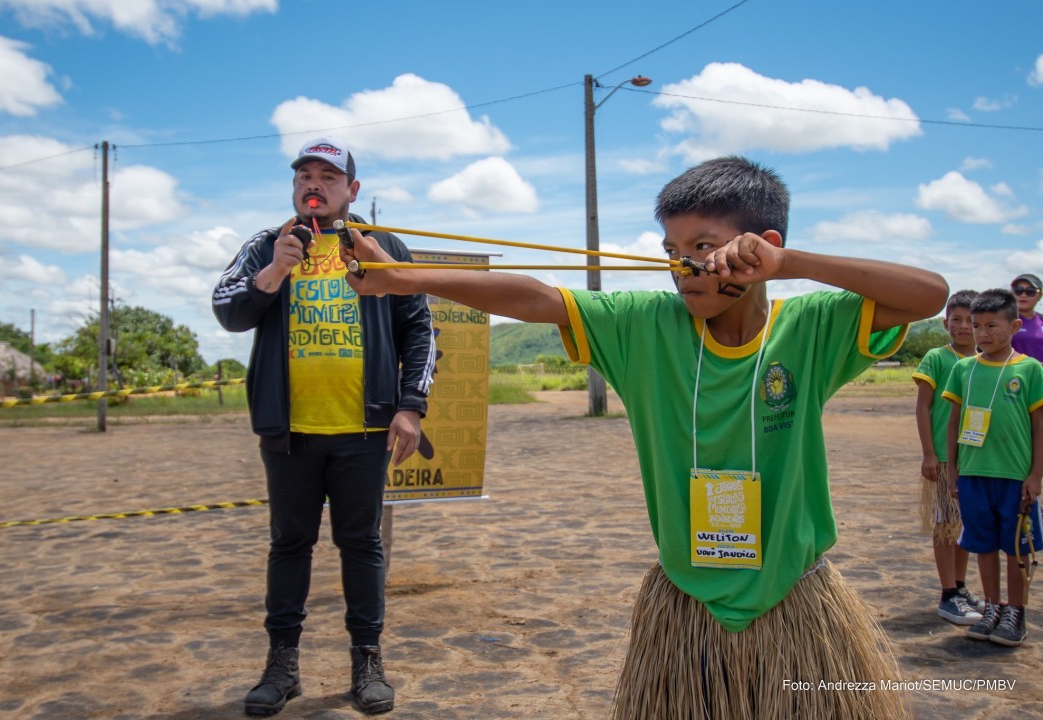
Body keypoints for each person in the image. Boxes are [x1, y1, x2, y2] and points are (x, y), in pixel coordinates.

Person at [339, 156, 948, 719]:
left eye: (703, 247)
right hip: (685, 606)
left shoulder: (814, 326)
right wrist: (400, 278)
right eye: (671, 248)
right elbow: (536, 297)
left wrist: (795, 266)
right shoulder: (641, 323)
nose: (683, 266)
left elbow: (930, 294)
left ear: (763, 247)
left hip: (795, 596)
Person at [212, 136, 435, 716]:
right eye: (305, 176)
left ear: (351, 190)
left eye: (328, 177)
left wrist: (410, 406)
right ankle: (281, 666)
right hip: (289, 432)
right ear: (294, 189)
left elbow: (421, 329)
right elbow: (227, 309)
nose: (315, 184)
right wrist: (273, 276)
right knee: (290, 544)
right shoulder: (267, 246)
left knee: (361, 544)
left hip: (364, 431)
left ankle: (367, 661)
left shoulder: (380, 246)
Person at [942, 288, 1043, 647]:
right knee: (982, 544)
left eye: (992, 325)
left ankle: (1016, 612)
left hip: (1015, 477)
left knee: (1016, 548)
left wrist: (1035, 475)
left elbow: (1038, 425)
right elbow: (954, 420)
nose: (983, 333)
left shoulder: (1031, 370)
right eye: (976, 325)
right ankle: (992, 607)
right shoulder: (963, 369)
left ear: (1015, 325)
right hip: (972, 474)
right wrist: (953, 469)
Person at [911, 290, 985, 625]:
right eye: (956, 319)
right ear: (945, 323)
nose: (963, 327)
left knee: (965, 526)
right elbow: (923, 407)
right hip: (943, 459)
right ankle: (947, 594)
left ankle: (960, 586)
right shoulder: (937, 358)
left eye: (971, 321)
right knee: (945, 526)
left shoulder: (985, 361)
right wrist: (929, 453)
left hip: (973, 458)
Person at [1010, 273, 1043, 363]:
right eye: (1018, 290)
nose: (1023, 295)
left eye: (1030, 291)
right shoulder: (1004, 321)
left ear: (1039, 295)